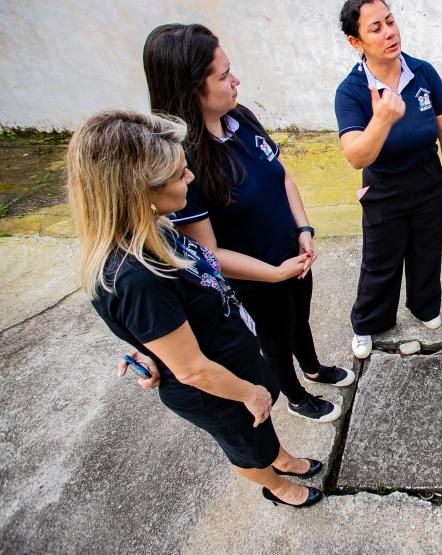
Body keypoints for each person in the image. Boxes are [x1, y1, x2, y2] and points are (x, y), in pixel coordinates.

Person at [70, 110, 323, 508]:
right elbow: (190, 369)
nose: (190, 178)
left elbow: (167, 315)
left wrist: (151, 346)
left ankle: (283, 459)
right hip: (217, 389)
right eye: (178, 175)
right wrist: (249, 393)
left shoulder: (154, 229)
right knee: (245, 447)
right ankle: (278, 486)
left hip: (232, 360)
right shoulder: (135, 277)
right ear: (141, 193)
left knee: (261, 434)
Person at [142, 24, 353, 423]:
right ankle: (293, 394)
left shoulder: (240, 117)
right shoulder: (183, 164)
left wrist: (304, 230)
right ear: (190, 88)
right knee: (273, 340)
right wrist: (274, 274)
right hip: (257, 278)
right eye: (222, 76)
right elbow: (208, 254)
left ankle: (312, 366)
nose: (235, 81)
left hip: (292, 257)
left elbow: (282, 175)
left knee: (299, 319)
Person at [334, 0, 442, 359]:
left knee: (426, 249)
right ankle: (368, 322)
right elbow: (355, 156)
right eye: (375, 28)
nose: (389, 32)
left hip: (428, 179)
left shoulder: (423, 73)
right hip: (383, 186)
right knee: (381, 259)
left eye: (390, 22)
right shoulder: (351, 91)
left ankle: (424, 306)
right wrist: (381, 119)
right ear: (356, 42)